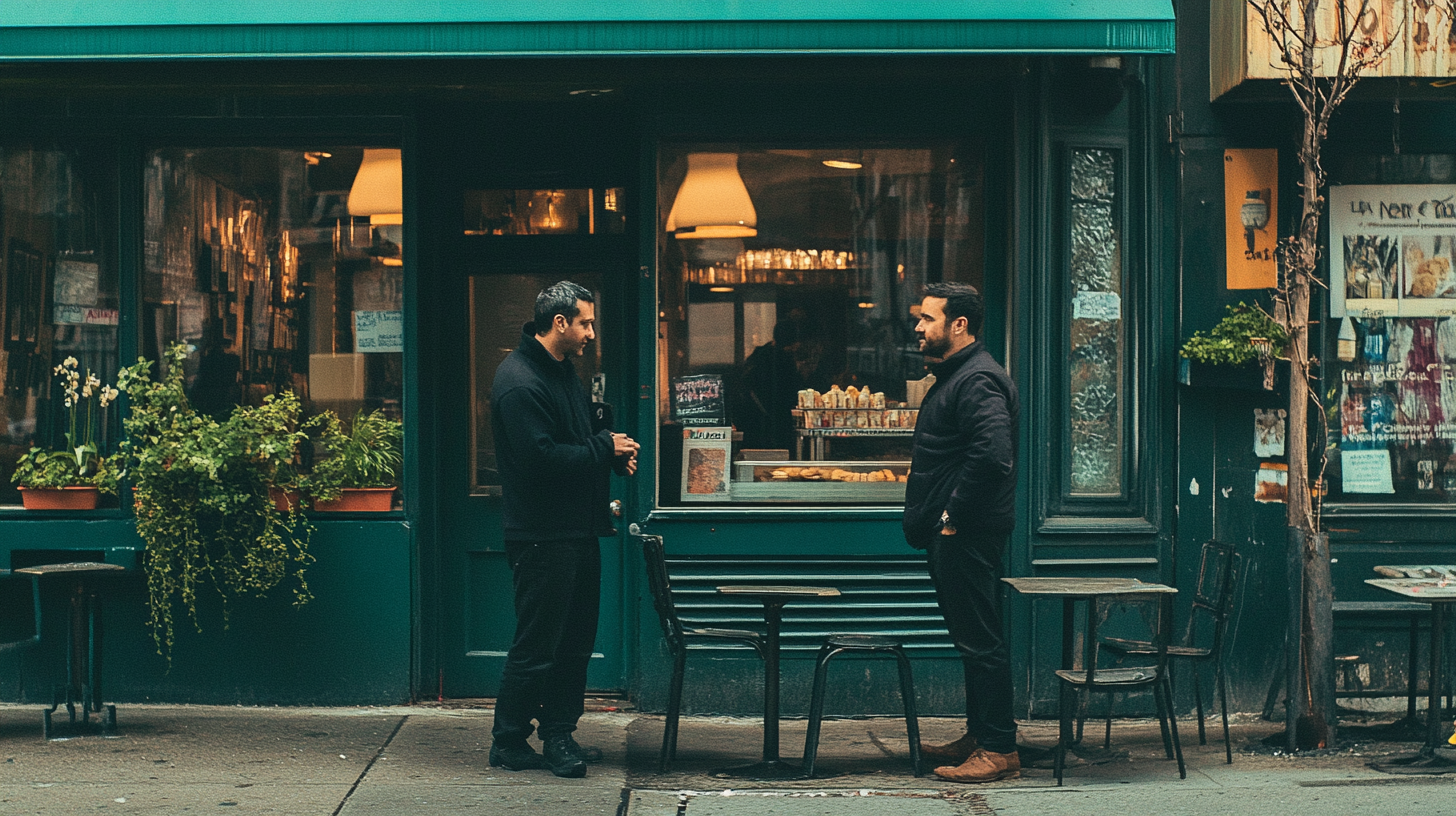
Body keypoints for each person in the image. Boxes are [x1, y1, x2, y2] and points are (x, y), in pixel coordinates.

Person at [488, 280, 639, 778]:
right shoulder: (520, 381)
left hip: (576, 529)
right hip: (541, 534)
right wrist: (603, 450)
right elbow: (540, 461)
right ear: (559, 323)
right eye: (585, 323)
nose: (591, 332)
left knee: (574, 643)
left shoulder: (560, 371)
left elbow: (573, 439)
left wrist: (607, 447)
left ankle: (559, 732)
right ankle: (510, 741)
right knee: (538, 645)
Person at [902, 282, 1021, 783]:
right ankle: (981, 734)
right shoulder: (959, 376)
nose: (918, 328)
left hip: (966, 533)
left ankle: (997, 748)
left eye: (927, 319)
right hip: (960, 531)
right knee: (973, 638)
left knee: (980, 641)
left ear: (959, 325)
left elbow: (992, 456)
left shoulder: (975, 381)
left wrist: (952, 517)